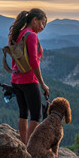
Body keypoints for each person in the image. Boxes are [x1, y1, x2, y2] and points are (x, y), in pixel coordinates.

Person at [8, 8, 49, 145]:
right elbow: (33, 62)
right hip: (29, 80)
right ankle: (29, 147)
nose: (42, 27)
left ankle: (24, 146)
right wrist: (42, 83)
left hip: (16, 80)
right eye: (42, 23)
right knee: (36, 115)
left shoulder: (18, 34)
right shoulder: (31, 35)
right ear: (34, 20)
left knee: (23, 113)